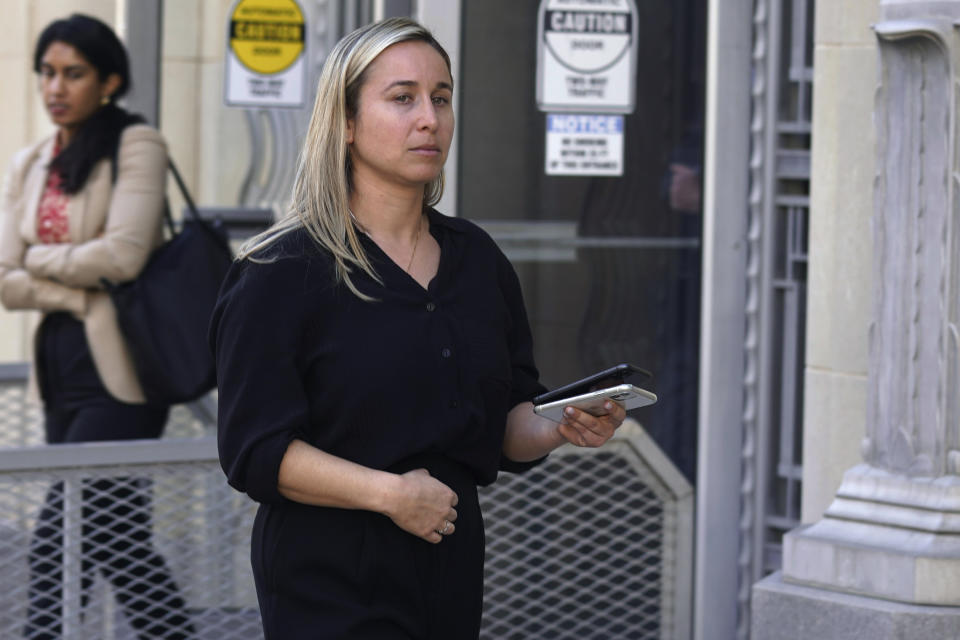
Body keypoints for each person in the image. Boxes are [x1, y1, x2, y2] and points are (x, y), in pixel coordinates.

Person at [210, 17, 628, 639]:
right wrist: (388, 494)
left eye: (442, 97)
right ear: (346, 124)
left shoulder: (477, 259)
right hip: (327, 579)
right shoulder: (280, 270)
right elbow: (256, 452)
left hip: (448, 569)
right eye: (402, 98)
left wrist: (561, 425)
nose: (429, 118)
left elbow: (503, 425)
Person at [0, 14, 193, 640]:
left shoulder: (137, 145)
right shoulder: (30, 163)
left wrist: (39, 264)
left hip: (124, 367)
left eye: (73, 74)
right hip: (60, 362)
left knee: (62, 535)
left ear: (108, 80)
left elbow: (123, 256)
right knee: (116, 538)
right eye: (47, 73)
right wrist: (75, 291)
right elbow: (4, 277)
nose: (55, 87)